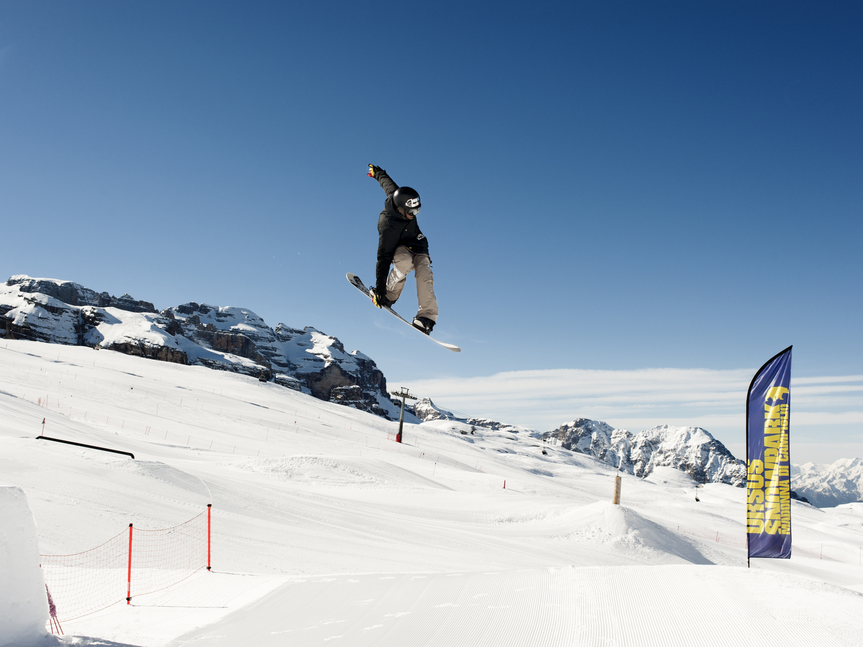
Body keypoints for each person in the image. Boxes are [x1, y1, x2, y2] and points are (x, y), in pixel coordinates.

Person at [366, 164, 438, 335]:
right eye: (411, 213)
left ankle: (426, 318)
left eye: (417, 211)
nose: (414, 215)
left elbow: (387, 183)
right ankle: (390, 294)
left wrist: (378, 172)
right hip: (399, 247)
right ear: (400, 209)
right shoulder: (387, 225)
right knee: (404, 263)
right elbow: (383, 258)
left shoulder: (399, 196)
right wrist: (380, 291)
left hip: (418, 244)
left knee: (424, 273)